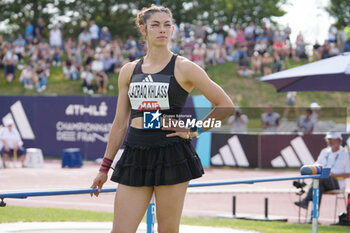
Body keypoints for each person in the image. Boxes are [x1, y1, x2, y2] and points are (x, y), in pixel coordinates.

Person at [90, 5, 234, 233]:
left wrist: (194, 130)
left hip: (171, 154)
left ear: (173, 29)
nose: (162, 30)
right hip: (135, 153)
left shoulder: (185, 67)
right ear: (143, 29)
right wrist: (104, 168)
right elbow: (120, 123)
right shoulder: (129, 71)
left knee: (166, 230)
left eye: (167, 25)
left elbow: (226, 106)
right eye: (155, 25)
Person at [294, 132, 350, 210]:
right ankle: (313, 218)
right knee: (318, 185)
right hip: (322, 181)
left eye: (332, 140)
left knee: (319, 180)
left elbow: (348, 174)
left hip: (337, 182)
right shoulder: (324, 152)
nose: (330, 142)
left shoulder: (345, 155)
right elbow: (316, 164)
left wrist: (334, 175)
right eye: (329, 139)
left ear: (339, 141)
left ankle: (306, 201)